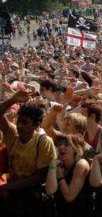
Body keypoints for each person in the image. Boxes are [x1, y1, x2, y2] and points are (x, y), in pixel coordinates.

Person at [0, 89, 57, 217]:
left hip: (31, 198)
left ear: (36, 125)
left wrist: (9, 186)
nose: (20, 125)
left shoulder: (43, 142)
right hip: (10, 193)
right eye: (19, 121)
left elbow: (40, 177)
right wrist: (13, 99)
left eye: (25, 122)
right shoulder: (12, 134)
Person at [45, 134, 93, 215]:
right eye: (59, 144)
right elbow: (50, 190)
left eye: (66, 145)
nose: (61, 147)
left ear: (75, 148)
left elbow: (69, 197)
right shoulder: (57, 165)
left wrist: (60, 177)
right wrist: (52, 166)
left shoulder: (81, 164)